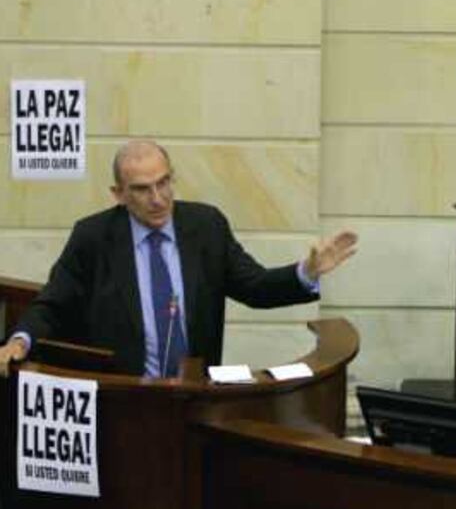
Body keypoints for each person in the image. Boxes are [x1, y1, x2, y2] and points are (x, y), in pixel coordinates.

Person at [0, 140, 357, 378]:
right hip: (123, 399)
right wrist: (19, 341)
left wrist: (307, 272)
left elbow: (256, 287)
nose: (158, 198)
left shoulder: (206, 227)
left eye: (164, 182)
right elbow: (52, 304)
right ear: (119, 195)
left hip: (192, 397)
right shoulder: (93, 237)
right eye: (142, 189)